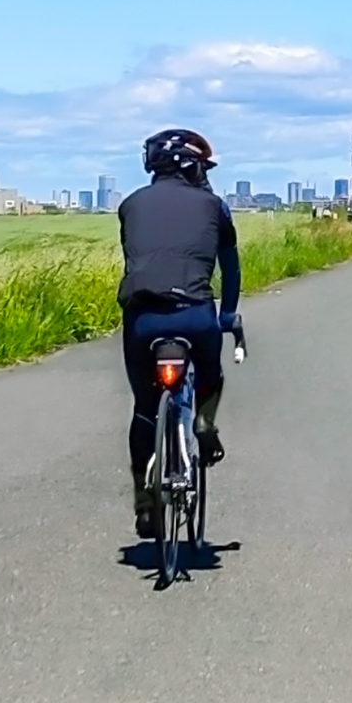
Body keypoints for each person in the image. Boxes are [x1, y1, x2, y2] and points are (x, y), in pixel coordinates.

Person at [117, 128, 240, 540]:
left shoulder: (130, 205)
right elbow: (231, 268)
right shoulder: (215, 207)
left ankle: (144, 504)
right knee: (210, 377)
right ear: (193, 168)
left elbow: (136, 260)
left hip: (143, 319)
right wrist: (228, 315)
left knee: (144, 408)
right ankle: (203, 425)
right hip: (195, 316)